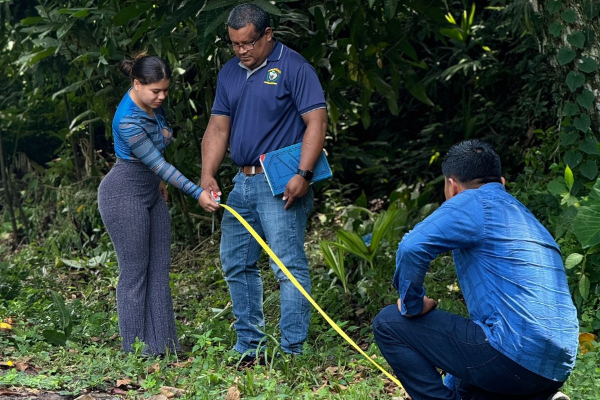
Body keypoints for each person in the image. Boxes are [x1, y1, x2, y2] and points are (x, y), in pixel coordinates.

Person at [372, 140, 578, 400]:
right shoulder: (526, 217)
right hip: (557, 366)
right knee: (460, 386)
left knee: (389, 322)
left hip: (512, 356)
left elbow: (412, 247)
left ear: (452, 186)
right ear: (502, 183)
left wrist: (412, 305)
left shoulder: (473, 201)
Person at [200, 4, 327, 361]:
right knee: (236, 262)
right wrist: (207, 174)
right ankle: (249, 346)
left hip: (281, 182)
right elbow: (218, 127)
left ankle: (292, 352)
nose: (242, 51)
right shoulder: (229, 73)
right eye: (235, 44)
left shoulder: (294, 67)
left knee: (287, 266)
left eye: (248, 43)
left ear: (268, 35)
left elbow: (316, 121)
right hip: (242, 182)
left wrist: (303, 174)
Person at [98, 53, 214, 355]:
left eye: (165, 90)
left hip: (151, 190)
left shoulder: (148, 103)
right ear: (137, 84)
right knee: (135, 272)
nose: (162, 97)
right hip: (124, 192)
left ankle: (165, 347)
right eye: (156, 91)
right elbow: (158, 162)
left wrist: (159, 180)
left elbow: (159, 147)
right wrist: (197, 192)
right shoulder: (127, 120)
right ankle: (135, 351)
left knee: (159, 268)